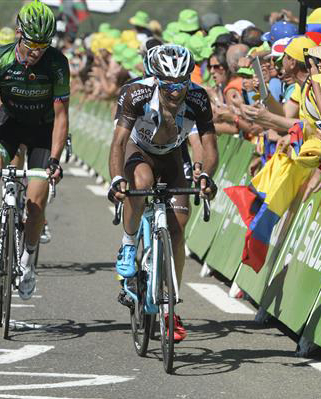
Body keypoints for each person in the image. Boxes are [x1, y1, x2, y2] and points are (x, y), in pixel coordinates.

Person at [108, 44, 218, 342]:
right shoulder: (136, 94)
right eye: (169, 85)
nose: (175, 92)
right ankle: (129, 244)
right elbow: (117, 144)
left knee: (178, 230)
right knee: (140, 184)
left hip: (172, 155)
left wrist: (205, 173)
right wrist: (118, 179)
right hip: (137, 149)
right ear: (156, 79)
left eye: (181, 84)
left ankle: (170, 304)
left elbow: (207, 147)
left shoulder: (197, 97)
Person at [0, 0, 68, 300]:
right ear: (19, 34)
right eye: (32, 44)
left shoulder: (57, 64)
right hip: (8, 125)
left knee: (36, 202)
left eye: (44, 45)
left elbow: (62, 117)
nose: (37, 52)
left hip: (42, 131)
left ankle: (27, 261)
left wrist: (54, 160)